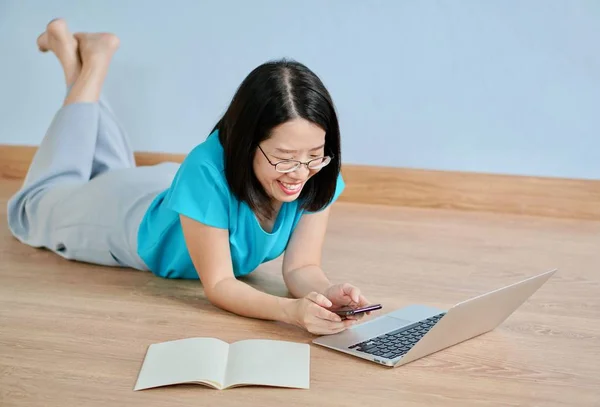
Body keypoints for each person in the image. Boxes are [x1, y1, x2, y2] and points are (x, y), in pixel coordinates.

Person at [7, 19, 372, 335]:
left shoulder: (317, 171)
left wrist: (326, 294)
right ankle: (88, 64)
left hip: (173, 196)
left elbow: (302, 267)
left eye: (313, 156)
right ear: (246, 144)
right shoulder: (206, 169)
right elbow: (219, 284)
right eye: (285, 158)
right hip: (124, 221)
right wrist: (289, 312)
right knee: (35, 205)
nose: (300, 173)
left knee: (111, 171)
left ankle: (82, 62)